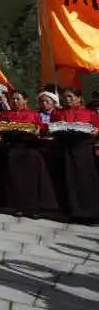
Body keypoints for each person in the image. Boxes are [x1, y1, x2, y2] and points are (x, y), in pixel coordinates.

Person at [0, 90, 58, 218]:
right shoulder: (5, 114)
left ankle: (34, 208)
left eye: (18, 99)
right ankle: (18, 206)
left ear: (25, 100)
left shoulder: (33, 114)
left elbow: (41, 128)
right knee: (15, 180)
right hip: (13, 149)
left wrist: (38, 130)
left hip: (30, 150)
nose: (15, 101)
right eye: (13, 99)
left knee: (32, 181)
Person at [50, 87, 99, 222]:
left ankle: (90, 213)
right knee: (67, 180)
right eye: (65, 97)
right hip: (65, 150)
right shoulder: (58, 113)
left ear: (78, 98)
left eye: (71, 96)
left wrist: (94, 132)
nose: (68, 99)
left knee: (85, 181)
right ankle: (70, 211)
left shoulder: (90, 113)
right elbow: (52, 128)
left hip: (83, 151)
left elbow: (96, 130)